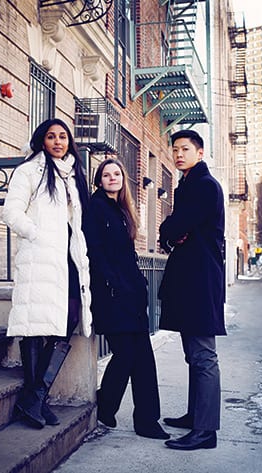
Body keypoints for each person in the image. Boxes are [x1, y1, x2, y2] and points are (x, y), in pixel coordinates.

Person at [3, 118, 92, 429]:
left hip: (68, 260)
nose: (57, 141)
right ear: (42, 140)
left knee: (65, 321)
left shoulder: (74, 175)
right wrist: (36, 234)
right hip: (40, 257)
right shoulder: (30, 171)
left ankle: (35, 398)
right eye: (51, 136)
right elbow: (11, 211)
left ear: (69, 142)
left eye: (63, 137)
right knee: (34, 325)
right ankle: (34, 398)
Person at [83, 158, 169, 440]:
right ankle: (107, 405)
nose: (112, 178)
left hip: (130, 295)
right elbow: (95, 252)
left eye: (117, 173)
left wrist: (139, 284)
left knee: (142, 357)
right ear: (99, 180)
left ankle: (143, 418)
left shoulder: (122, 210)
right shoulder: (95, 208)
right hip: (111, 294)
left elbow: (126, 254)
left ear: (122, 178)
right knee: (127, 354)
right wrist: (113, 284)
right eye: (106, 174)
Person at [158, 129, 226, 450]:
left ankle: (205, 431)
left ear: (199, 153)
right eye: (175, 149)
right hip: (190, 281)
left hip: (201, 282)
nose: (178, 154)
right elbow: (170, 231)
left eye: (185, 149)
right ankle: (194, 415)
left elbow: (175, 225)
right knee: (193, 355)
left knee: (203, 356)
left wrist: (171, 230)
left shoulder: (204, 186)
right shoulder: (187, 184)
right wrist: (170, 232)